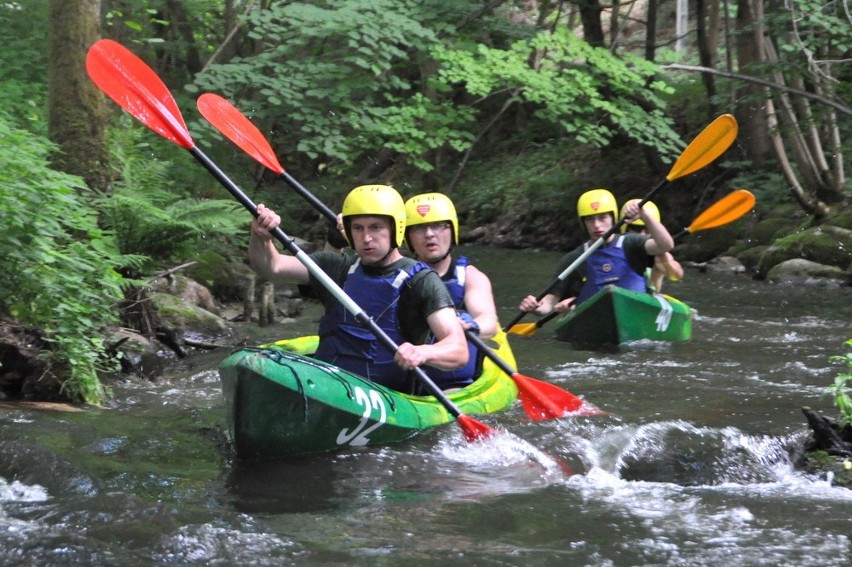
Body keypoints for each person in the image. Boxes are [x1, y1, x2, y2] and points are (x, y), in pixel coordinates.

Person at [249, 184, 469, 393]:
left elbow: (458, 350)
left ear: (396, 228)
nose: (366, 238)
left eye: (376, 227)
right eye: (357, 228)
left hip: (387, 398)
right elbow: (272, 266)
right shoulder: (335, 267)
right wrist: (261, 237)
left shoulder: (422, 281)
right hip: (325, 385)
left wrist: (423, 352)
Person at [518, 188, 675, 317]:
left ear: (613, 218)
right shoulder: (573, 258)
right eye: (590, 220)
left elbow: (666, 244)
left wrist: (644, 215)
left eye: (603, 218)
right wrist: (537, 307)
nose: (597, 226)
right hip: (595, 319)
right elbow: (551, 301)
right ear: (583, 223)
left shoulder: (631, 243)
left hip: (636, 313)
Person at [404, 193, 498, 390]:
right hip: (408, 380)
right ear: (408, 237)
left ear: (452, 230)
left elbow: (489, 322)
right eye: (419, 228)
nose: (429, 234)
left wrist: (469, 324)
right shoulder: (400, 276)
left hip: (456, 385)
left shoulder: (470, 276)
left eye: (438, 225)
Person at [619, 199, 684, 292]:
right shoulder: (614, 249)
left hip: (648, 300)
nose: (642, 234)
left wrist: (665, 260)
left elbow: (677, 275)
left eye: (647, 229)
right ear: (625, 228)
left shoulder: (657, 256)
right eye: (636, 229)